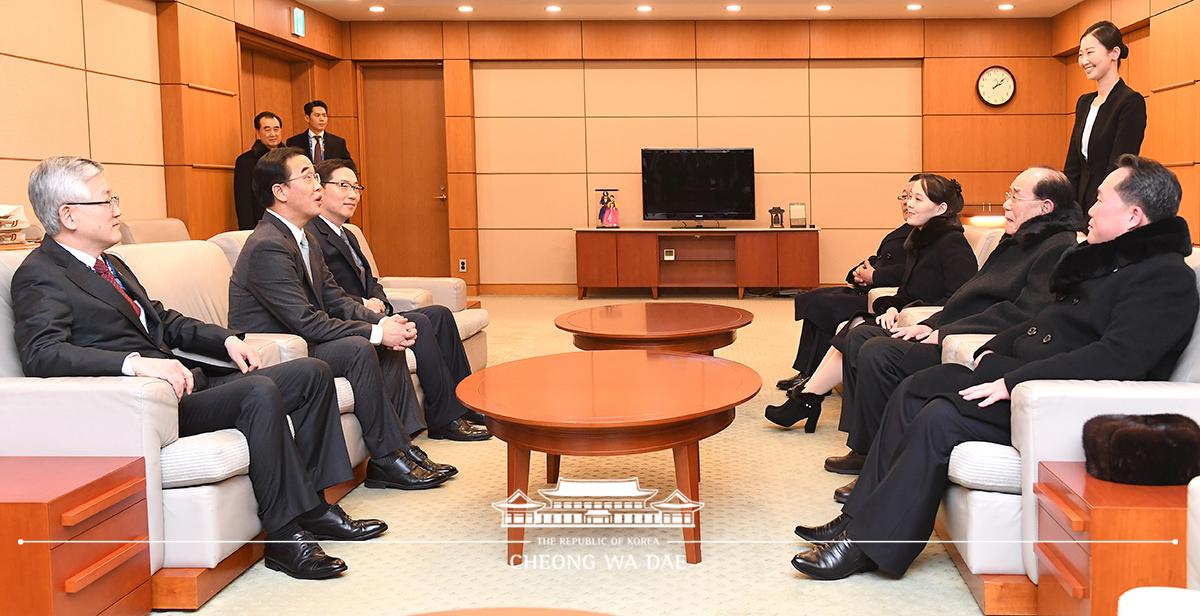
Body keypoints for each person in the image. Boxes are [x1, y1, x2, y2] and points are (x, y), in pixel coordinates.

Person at [791, 155, 1198, 581]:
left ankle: (871, 546)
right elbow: (1042, 320)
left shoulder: (1164, 278)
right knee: (913, 388)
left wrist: (1013, 380)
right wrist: (995, 347)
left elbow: (1116, 358)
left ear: (1133, 216)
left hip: (1063, 401)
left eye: (1100, 200)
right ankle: (858, 518)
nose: (1090, 209)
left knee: (939, 417)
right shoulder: (1103, 261)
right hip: (1027, 374)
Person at [12, 156, 388, 580]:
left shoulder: (110, 264)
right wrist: (135, 365)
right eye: (107, 200)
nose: (118, 209)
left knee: (311, 371)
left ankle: (315, 506)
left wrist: (226, 339)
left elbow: (162, 319)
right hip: (149, 408)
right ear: (69, 215)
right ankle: (283, 539)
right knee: (257, 392)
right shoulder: (40, 275)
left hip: (187, 381)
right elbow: (44, 354)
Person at [825, 167, 1083, 503]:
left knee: (878, 352)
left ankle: (876, 461)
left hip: (975, 345)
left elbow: (1021, 313)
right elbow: (967, 296)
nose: (1005, 204)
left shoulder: (1056, 248)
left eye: (1014, 196)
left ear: (1045, 207)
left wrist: (945, 333)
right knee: (862, 339)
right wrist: (931, 324)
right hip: (956, 330)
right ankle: (867, 452)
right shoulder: (1018, 238)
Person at [230, 147, 468, 494]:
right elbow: (305, 321)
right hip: (281, 349)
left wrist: (383, 321)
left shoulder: (302, 236)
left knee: (385, 343)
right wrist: (375, 332)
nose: (317, 185)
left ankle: (399, 448)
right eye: (308, 176)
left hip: (306, 337)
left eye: (316, 176)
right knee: (361, 347)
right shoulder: (267, 245)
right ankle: (387, 457)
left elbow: (334, 298)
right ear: (279, 192)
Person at [764, 173, 976, 432]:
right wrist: (892, 307)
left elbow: (961, 299)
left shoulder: (952, 243)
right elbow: (907, 291)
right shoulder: (921, 241)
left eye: (918, 199)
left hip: (924, 325)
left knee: (856, 328)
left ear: (941, 208)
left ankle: (807, 398)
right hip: (907, 316)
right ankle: (808, 396)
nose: (908, 203)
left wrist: (913, 317)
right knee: (852, 322)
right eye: (908, 197)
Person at [307, 158, 487, 429]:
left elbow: (371, 279)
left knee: (439, 314)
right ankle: (444, 419)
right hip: (351, 320)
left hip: (375, 312)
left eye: (356, 188)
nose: (352, 194)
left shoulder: (349, 233)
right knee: (422, 323)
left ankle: (463, 403)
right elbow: (322, 294)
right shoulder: (312, 235)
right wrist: (364, 303)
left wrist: (378, 298)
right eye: (343, 186)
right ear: (319, 188)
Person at [775, 180, 915, 391]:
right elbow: (879, 258)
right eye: (904, 197)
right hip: (870, 287)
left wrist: (874, 276)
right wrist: (858, 271)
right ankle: (806, 370)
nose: (907, 203)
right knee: (815, 297)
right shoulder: (907, 229)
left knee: (826, 304)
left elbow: (909, 271)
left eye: (914, 197)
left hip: (884, 296)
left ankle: (813, 377)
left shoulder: (925, 235)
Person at [1064, 20, 1146, 216]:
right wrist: (1067, 208)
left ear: (1114, 53)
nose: (1083, 61)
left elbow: (1119, 166)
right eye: (1080, 54)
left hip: (1108, 205)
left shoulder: (1130, 101)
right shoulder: (1084, 102)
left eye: (1090, 52)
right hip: (1078, 206)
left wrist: (1097, 207)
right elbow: (1073, 164)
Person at [234, 111, 284, 230]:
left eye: (276, 129)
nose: (273, 134)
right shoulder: (245, 161)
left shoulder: (291, 159)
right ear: (258, 133)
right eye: (267, 129)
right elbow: (243, 202)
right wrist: (248, 231)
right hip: (262, 224)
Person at [286, 100, 352, 164]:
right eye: (317, 115)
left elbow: (348, 165)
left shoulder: (338, 143)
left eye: (324, 115)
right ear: (307, 118)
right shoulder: (294, 142)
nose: (322, 119)